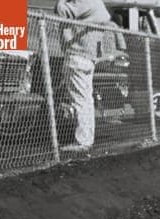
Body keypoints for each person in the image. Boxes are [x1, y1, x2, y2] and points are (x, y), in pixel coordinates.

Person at [54, 0, 111, 152]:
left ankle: (82, 141)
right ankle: (86, 139)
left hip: (76, 55)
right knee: (86, 100)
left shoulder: (85, 3)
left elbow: (61, 9)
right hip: (88, 57)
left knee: (80, 100)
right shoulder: (99, 7)